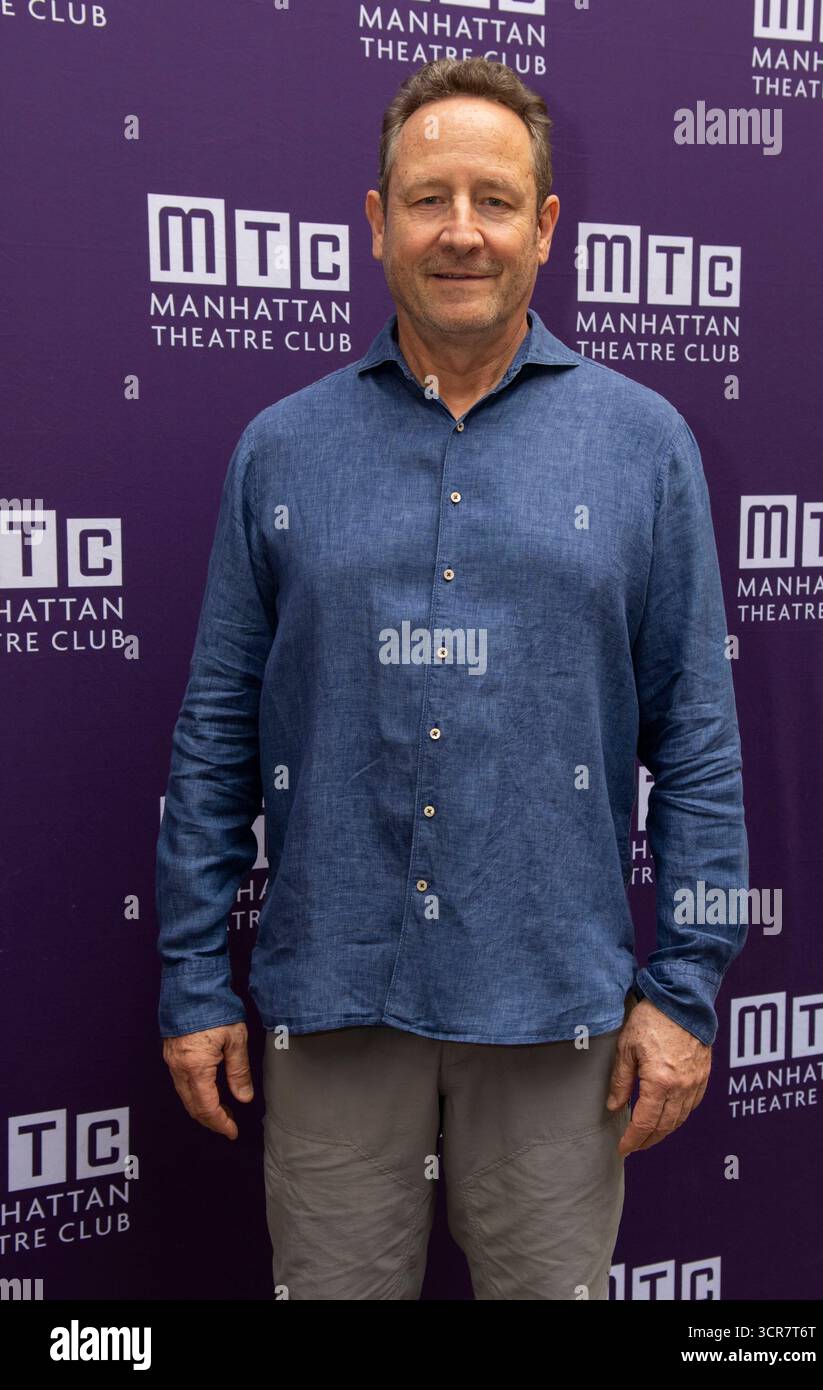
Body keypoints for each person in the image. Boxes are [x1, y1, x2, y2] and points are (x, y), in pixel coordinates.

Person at [156, 58, 749, 1300]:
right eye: (428, 199)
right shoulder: (282, 448)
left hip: (555, 1014)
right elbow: (217, 732)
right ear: (376, 226)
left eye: (493, 199)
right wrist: (193, 976)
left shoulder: (643, 448)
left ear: (543, 225)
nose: (460, 231)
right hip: (333, 1003)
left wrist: (684, 992)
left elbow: (693, 737)